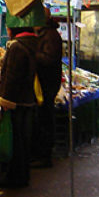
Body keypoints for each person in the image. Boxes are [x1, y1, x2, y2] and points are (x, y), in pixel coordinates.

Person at [0, 25, 39, 187]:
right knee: (23, 141)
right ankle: (22, 176)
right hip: (27, 99)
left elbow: (12, 77)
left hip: (16, 101)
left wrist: (6, 100)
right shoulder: (32, 44)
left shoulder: (17, 48)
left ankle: (13, 178)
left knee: (15, 141)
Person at [32, 11, 62, 168]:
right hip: (46, 83)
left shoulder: (50, 36)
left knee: (45, 119)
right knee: (43, 119)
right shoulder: (46, 34)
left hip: (47, 83)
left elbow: (49, 59)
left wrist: (32, 53)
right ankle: (42, 154)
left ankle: (45, 156)